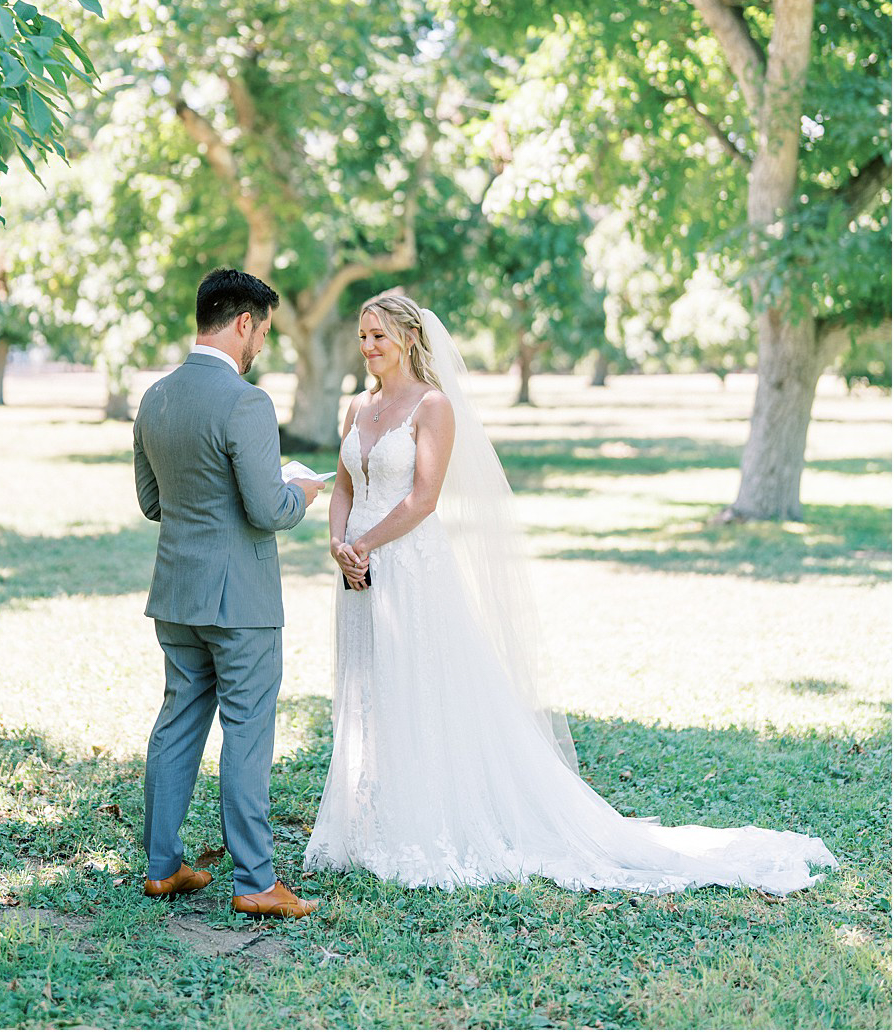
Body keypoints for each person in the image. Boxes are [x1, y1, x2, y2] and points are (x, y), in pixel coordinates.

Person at [304, 292, 838, 896]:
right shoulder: (357, 406)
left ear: (407, 338)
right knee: (369, 684)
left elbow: (423, 499)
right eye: (363, 335)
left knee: (417, 684)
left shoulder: (432, 406)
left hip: (408, 563)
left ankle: (425, 823)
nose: (370, 346)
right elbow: (344, 483)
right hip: (358, 566)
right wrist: (338, 541)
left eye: (380, 335)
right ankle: (371, 820)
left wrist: (367, 543)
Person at [135, 267, 324, 918]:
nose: (261, 346)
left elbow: (150, 501)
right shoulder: (246, 402)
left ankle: (162, 869)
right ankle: (255, 883)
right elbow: (268, 509)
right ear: (243, 322)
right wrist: (302, 489)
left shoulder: (155, 397)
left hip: (176, 591)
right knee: (246, 731)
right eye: (262, 332)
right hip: (238, 598)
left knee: (177, 721)